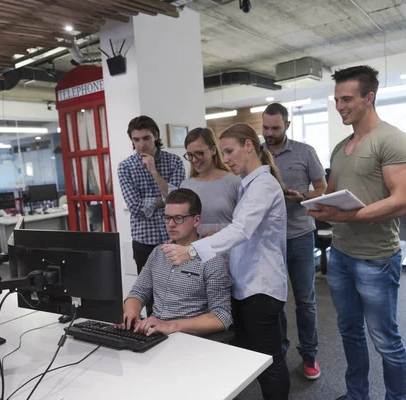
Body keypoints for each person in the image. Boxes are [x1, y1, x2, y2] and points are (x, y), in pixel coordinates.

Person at [308, 65, 406, 400]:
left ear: (369, 98)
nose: (340, 106)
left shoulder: (393, 140)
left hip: (376, 259)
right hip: (341, 256)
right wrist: (314, 203)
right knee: (349, 332)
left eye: (347, 99)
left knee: (385, 339)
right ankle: (357, 395)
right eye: (336, 99)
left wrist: (347, 217)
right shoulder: (341, 148)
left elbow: (401, 202)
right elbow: (333, 194)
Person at [162, 123, 290, 400]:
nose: (227, 158)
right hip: (246, 284)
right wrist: (218, 234)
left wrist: (191, 250)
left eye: (230, 151)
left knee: (270, 362)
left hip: (261, 286)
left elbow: (242, 229)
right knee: (246, 354)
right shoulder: (250, 184)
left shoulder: (263, 185)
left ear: (248, 146)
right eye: (224, 152)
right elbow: (248, 229)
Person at [262, 102, 326, 380]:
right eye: (265, 127)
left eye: (275, 128)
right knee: (275, 300)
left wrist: (303, 196)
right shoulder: (257, 153)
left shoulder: (305, 151)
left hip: (299, 234)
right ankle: (281, 347)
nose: (269, 133)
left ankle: (309, 355)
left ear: (287, 125)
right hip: (268, 238)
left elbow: (322, 188)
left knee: (305, 301)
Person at [119, 188, 232, 336]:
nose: (171, 224)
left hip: (188, 339)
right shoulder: (158, 253)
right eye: (167, 218)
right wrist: (130, 313)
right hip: (153, 333)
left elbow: (221, 317)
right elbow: (138, 292)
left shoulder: (211, 261)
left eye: (178, 218)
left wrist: (171, 326)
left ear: (196, 220)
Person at [117, 115, 185, 315]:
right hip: (143, 241)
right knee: (149, 295)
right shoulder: (125, 167)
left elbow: (177, 201)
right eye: (136, 140)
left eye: (145, 138)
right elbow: (135, 207)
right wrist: (163, 200)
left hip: (173, 238)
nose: (141, 144)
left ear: (155, 135)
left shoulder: (174, 161)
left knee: (178, 291)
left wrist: (154, 172)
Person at [179, 127, 240, 238]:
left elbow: (245, 224)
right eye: (190, 155)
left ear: (213, 150)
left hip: (229, 248)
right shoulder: (186, 186)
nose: (194, 159)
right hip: (196, 249)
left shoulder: (234, 182)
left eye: (199, 153)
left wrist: (220, 236)